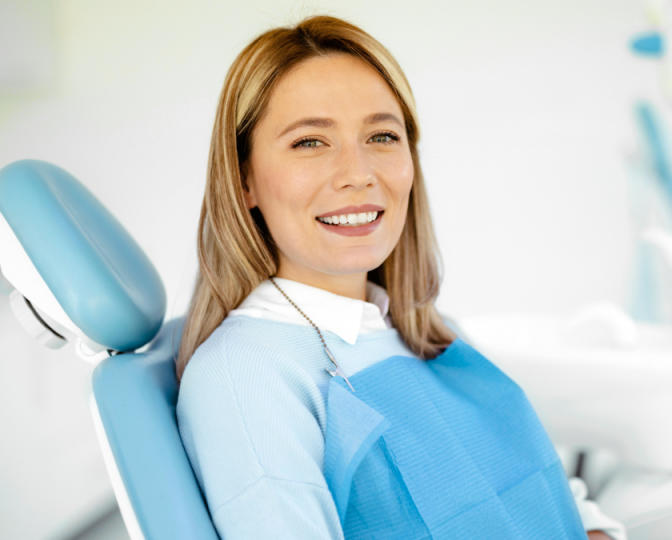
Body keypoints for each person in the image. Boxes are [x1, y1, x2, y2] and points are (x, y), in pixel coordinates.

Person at [174, 15, 624, 540]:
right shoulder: (248, 374)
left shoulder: (432, 333)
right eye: (310, 143)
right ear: (244, 177)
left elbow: (548, 498)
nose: (359, 172)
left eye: (382, 136)